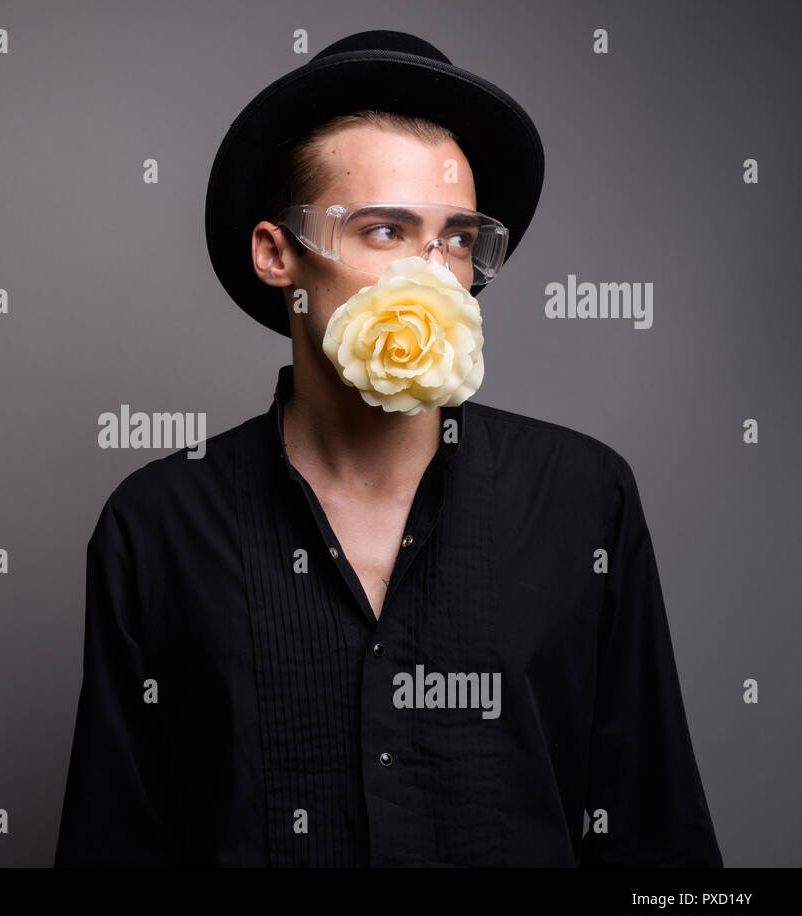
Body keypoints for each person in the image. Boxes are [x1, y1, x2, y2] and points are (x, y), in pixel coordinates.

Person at [54, 29, 722, 867]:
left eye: (455, 239)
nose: (434, 274)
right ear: (277, 255)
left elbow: (660, 844)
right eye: (384, 232)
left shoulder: (584, 498)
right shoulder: (155, 527)